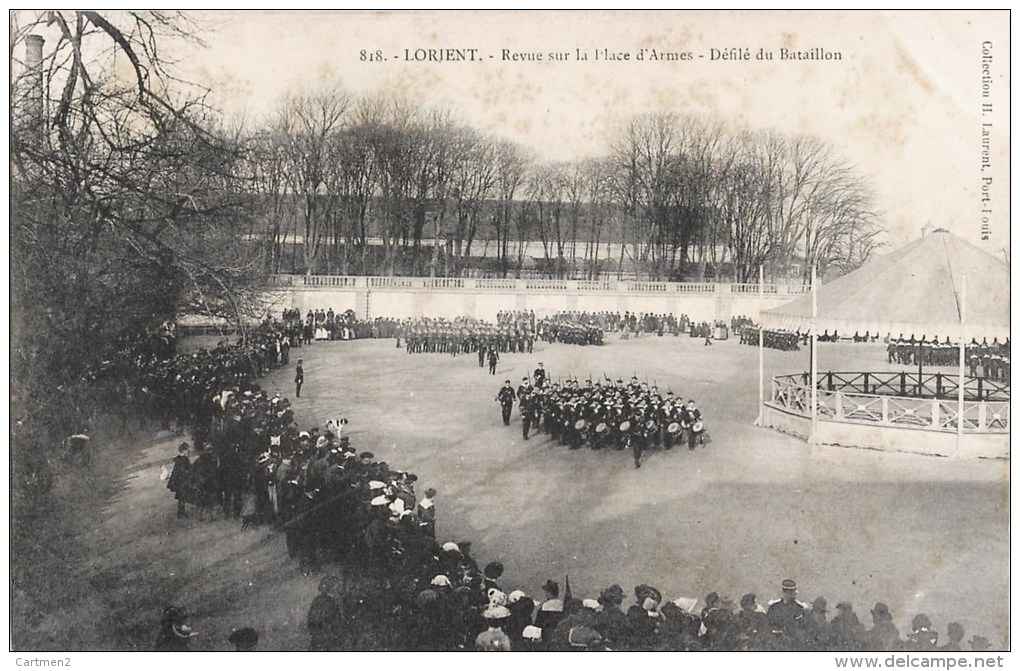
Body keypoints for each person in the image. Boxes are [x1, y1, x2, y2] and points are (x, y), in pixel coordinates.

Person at [766, 579, 807, 650]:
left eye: (794, 591)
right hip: (775, 643)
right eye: (790, 592)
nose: (794, 594)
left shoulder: (799, 608)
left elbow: (801, 628)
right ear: (784, 592)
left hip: (792, 644)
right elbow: (768, 624)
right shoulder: (774, 607)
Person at [166, 442, 192, 518]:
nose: (188, 451)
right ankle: (181, 513)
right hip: (183, 481)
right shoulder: (185, 459)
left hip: (178, 482)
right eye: (187, 450)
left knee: (181, 497)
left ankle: (180, 512)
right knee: (182, 497)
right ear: (185, 450)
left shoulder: (177, 459)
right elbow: (188, 469)